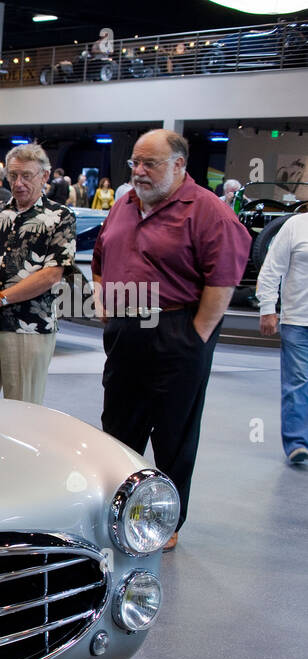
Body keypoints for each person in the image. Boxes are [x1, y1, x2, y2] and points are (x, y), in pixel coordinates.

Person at [94, 128, 251, 550]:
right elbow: (99, 258)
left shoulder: (207, 211)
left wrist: (195, 335)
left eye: (150, 164)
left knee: (173, 432)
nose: (139, 172)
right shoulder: (124, 205)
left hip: (177, 329)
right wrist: (109, 308)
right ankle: (117, 507)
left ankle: (167, 522)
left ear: (179, 165)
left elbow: (223, 280)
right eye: (135, 163)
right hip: (127, 329)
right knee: (118, 425)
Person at [0, 143, 76, 405]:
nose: (19, 182)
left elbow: (51, 275)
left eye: (27, 175)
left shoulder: (61, 217)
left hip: (30, 328)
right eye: (13, 176)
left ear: (44, 177)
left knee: (23, 410)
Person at [256, 210, 308, 464]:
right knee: (298, 382)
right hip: (298, 320)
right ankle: (298, 443)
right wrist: (268, 308)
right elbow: (271, 269)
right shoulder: (295, 226)